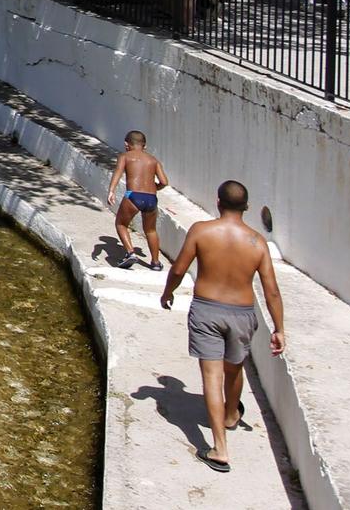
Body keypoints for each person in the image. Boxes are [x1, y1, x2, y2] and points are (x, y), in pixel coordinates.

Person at [160, 180, 286, 475]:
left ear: (218, 202)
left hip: (206, 309)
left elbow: (179, 268)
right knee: (235, 368)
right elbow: (272, 291)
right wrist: (279, 328)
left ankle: (219, 448)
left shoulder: (202, 231)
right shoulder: (257, 242)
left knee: (212, 377)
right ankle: (231, 414)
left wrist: (168, 292)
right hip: (242, 314)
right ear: (247, 207)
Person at [106, 130, 170, 268]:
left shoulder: (125, 156)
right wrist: (153, 189)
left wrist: (111, 190)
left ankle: (130, 253)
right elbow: (164, 182)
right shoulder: (153, 160)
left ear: (126, 144)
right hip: (152, 198)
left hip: (133, 195)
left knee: (121, 224)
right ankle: (156, 263)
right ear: (145, 146)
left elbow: (118, 172)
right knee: (151, 230)